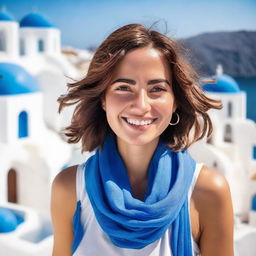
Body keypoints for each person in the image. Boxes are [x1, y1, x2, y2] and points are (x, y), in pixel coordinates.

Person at [51, 24, 234, 256]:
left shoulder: (207, 191)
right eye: (124, 87)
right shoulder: (69, 189)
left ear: (175, 100)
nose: (141, 105)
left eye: (157, 88)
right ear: (103, 99)